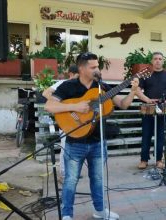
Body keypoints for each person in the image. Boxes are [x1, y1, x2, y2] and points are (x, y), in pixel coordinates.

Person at [45, 52, 139, 220]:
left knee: (97, 179)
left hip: (98, 142)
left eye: (98, 66)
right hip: (75, 142)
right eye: (93, 67)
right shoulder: (68, 86)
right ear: (81, 68)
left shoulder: (101, 87)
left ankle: (100, 210)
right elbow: (49, 106)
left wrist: (133, 91)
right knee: (71, 180)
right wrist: (75, 106)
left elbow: (123, 105)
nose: (97, 69)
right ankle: (67, 215)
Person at [136, 51, 166, 169]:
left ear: (163, 61)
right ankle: (144, 160)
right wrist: (147, 99)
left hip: (162, 107)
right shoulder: (146, 75)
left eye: (160, 59)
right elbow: (138, 90)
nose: (158, 61)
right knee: (146, 134)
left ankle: (159, 159)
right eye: (155, 59)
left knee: (161, 135)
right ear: (152, 61)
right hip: (148, 107)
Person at [42, 65, 79, 183]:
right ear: (71, 74)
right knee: (65, 146)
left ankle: (72, 172)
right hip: (66, 118)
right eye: (78, 75)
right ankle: (62, 174)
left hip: (78, 119)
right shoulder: (63, 83)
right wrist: (61, 103)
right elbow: (45, 93)